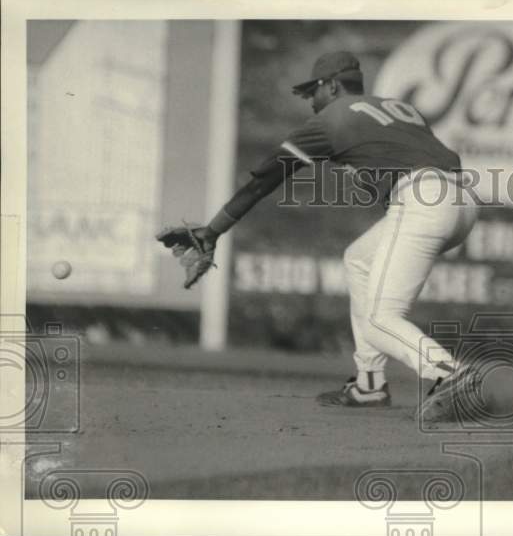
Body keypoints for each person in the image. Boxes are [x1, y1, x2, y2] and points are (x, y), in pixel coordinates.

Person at [161, 51, 479, 421]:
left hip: (423, 202)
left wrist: (212, 231)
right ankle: (370, 383)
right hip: (462, 202)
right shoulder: (398, 107)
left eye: (312, 92)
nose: (311, 102)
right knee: (359, 259)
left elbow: (265, 179)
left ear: (332, 85)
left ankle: (450, 373)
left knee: (380, 320)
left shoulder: (332, 118)